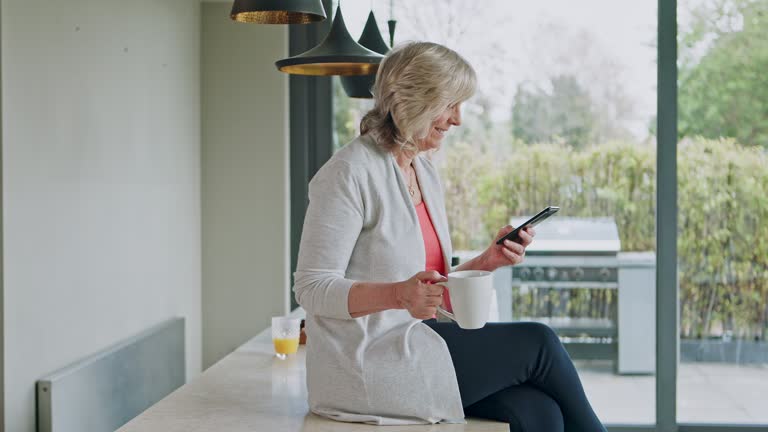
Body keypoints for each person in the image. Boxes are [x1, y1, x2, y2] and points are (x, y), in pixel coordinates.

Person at [293, 41, 606, 432]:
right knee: (538, 341)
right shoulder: (348, 173)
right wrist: (396, 295)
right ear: (413, 101)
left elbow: (429, 284)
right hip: (369, 363)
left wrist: (487, 261)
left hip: (421, 343)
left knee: (539, 411)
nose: (457, 119)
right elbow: (311, 287)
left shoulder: (423, 172)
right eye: (450, 104)